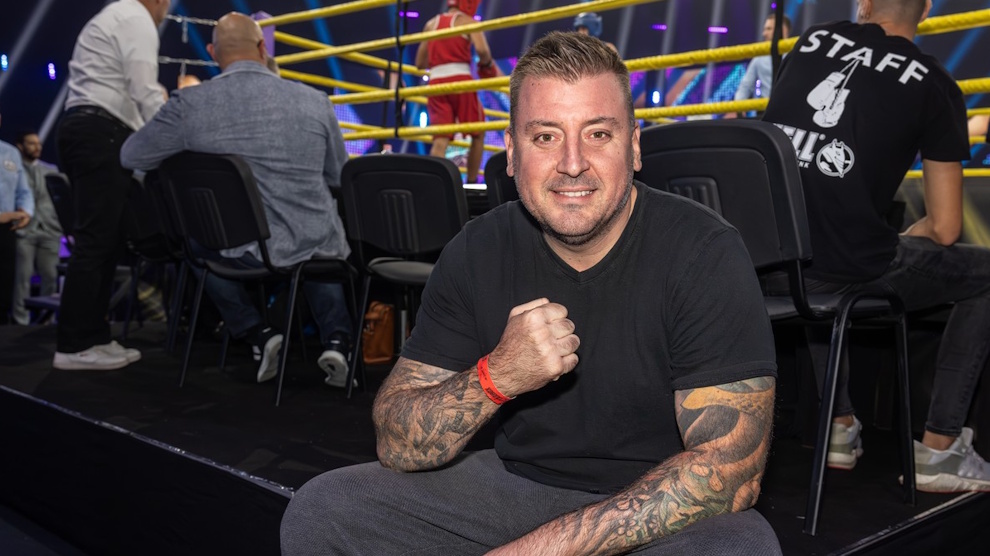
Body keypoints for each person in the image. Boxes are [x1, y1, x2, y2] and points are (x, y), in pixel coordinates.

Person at [281, 32, 781, 555]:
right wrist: (496, 377)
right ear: (512, 152)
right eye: (545, 136)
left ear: (633, 146)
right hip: (512, 488)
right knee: (325, 509)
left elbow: (730, 470)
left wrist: (538, 551)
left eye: (598, 134)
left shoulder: (703, 249)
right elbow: (397, 444)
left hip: (655, 510)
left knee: (742, 546)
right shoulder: (478, 247)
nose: (572, 163)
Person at [763, 0, 990, 491]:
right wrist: (902, 240)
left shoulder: (812, 41)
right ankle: (941, 449)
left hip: (765, 261)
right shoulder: (935, 83)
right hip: (842, 266)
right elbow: (946, 228)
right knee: (983, 275)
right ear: (925, 10)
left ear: (864, 4)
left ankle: (838, 428)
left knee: (814, 251)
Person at [120, 12, 354, 386]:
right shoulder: (316, 101)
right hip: (311, 241)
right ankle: (339, 343)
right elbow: (338, 177)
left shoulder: (189, 105)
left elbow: (131, 156)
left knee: (197, 247)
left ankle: (256, 331)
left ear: (213, 53)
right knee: (322, 239)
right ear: (263, 48)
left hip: (237, 247)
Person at [53, 0, 172, 370]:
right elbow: (145, 91)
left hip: (93, 130)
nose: (166, 11)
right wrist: (171, 140)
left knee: (107, 241)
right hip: (99, 132)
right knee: (96, 241)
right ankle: (73, 345)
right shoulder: (136, 18)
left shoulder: (117, 15)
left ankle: (94, 337)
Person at [415, 0, 495, 184]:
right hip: (460, 81)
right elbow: (482, 50)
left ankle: (433, 184)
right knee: (478, 132)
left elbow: (420, 63)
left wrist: (441, 56)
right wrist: (487, 64)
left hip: (436, 84)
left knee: (440, 139)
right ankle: (472, 183)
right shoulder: (466, 21)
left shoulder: (431, 24)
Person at [12, 130, 62, 325]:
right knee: (22, 279)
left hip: (49, 229)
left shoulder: (51, 169)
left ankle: (46, 320)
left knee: (50, 276)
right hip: (25, 230)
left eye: (38, 143)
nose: (37, 147)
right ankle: (21, 321)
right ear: (20, 146)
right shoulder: (13, 170)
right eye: (31, 143)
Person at [1, 114, 35, 324]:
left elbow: (24, 190)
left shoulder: (10, 152)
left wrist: (26, 211)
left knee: (5, 286)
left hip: (7, 230)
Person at [734, 14, 792, 103]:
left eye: (769, 29)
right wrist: (736, 106)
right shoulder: (760, 58)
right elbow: (746, 85)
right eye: (765, 29)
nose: (764, 34)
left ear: (783, 30)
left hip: (790, 106)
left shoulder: (795, 55)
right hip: (765, 107)